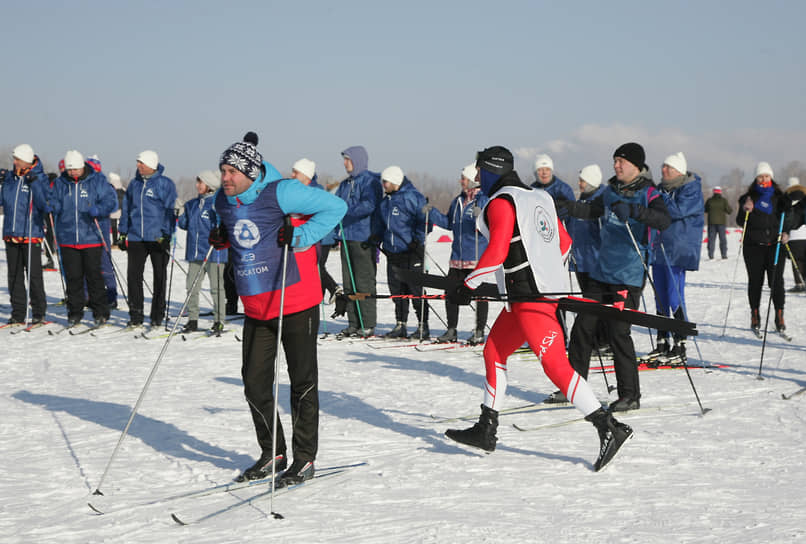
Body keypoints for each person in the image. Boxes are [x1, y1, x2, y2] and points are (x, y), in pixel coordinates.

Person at [443, 146, 632, 472]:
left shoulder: (501, 202)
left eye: (478, 172)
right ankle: (486, 428)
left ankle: (608, 427)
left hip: (531, 301)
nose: (476, 178)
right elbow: (564, 243)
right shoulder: (538, 197)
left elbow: (499, 250)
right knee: (494, 352)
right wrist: (547, 276)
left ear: (489, 170)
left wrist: (467, 286)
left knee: (557, 367)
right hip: (525, 299)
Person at [209, 132, 346, 486]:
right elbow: (228, 223)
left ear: (251, 173)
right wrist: (222, 236)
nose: (225, 178)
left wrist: (300, 237)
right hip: (256, 305)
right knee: (255, 383)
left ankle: (304, 459)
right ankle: (273, 452)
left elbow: (335, 208)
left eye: (232, 172)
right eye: (222, 170)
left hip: (296, 300)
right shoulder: (223, 201)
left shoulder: (283, 191)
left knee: (301, 382)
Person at [558, 142, 671, 411]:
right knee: (583, 327)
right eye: (615, 161)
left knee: (618, 332)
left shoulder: (649, 191)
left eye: (621, 161)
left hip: (629, 273)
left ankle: (630, 395)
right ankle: (573, 386)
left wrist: (634, 211)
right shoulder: (610, 191)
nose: (616, 165)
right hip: (601, 271)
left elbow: (663, 220)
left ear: (636, 165)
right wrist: (569, 208)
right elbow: (592, 210)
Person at [49, 151, 118, 326]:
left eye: (76, 169)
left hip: (91, 237)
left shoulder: (97, 181)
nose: (72, 173)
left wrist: (100, 209)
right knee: (73, 278)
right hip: (67, 237)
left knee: (94, 277)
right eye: (70, 170)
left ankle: (100, 313)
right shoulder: (60, 183)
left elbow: (111, 201)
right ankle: (74, 313)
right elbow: (53, 200)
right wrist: (53, 206)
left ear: (83, 167)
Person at [648, 152, 704, 365]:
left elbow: (677, 211)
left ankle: (680, 342)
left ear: (679, 171)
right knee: (660, 296)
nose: (664, 171)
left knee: (674, 295)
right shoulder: (662, 189)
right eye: (663, 167)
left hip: (678, 251)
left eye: (668, 168)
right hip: (659, 248)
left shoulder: (690, 189)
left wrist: (657, 199)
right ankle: (662, 340)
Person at [428, 163, 489, 344]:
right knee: (451, 293)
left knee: (479, 295)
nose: (461, 181)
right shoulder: (457, 201)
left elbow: (490, 225)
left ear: (472, 180)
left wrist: (482, 218)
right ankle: (451, 329)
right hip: (457, 258)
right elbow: (449, 223)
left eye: (464, 178)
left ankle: (479, 331)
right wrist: (431, 212)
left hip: (476, 257)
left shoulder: (484, 200)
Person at [118, 150, 177, 328]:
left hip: (157, 237)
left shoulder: (165, 184)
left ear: (151, 165)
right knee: (133, 276)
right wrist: (122, 232)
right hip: (136, 237)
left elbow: (170, 210)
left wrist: (167, 233)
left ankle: (157, 315)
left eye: (141, 163)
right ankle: (135, 315)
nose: (138, 166)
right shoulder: (134, 184)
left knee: (159, 277)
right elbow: (127, 209)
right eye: (138, 162)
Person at [370, 165, 431, 340]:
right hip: (393, 253)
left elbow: (425, 221)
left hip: (411, 251)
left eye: (386, 181)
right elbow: (382, 224)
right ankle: (400, 324)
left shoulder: (412, 197)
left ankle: (423, 326)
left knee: (416, 290)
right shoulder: (385, 202)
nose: (383, 184)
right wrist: (376, 237)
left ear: (395, 181)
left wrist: (417, 239)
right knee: (397, 291)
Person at [334, 146, 383, 338]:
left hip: (363, 238)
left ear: (357, 160)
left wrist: (345, 208)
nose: (345, 163)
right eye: (344, 159)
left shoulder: (370, 181)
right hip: (346, 237)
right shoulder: (345, 184)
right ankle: (353, 322)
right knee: (349, 283)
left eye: (348, 159)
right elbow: (336, 203)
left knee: (364, 282)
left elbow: (369, 205)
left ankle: (368, 322)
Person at [737, 162, 790, 335]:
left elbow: (787, 218)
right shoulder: (749, 197)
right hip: (753, 246)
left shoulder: (780, 197)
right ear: (756, 178)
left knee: (776, 282)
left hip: (774, 246)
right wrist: (746, 210)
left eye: (766, 176)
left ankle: (779, 315)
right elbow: (739, 220)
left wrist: (786, 232)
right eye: (760, 176)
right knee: (755, 282)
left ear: (771, 177)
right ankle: (755, 314)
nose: (763, 179)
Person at [0, 144, 49, 325]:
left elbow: (44, 204)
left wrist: (34, 183)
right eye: (14, 159)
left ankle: (38, 311)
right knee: (14, 275)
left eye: (18, 159)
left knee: (34, 274)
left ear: (27, 161)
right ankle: (18, 312)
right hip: (11, 233)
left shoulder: (39, 178)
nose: (15, 162)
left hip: (31, 232)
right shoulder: (11, 178)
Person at [177, 170, 227, 334]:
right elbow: (184, 225)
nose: (198, 185)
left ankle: (219, 320)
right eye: (197, 182)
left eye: (201, 182)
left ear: (210, 185)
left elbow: (225, 225)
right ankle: (192, 319)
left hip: (214, 253)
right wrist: (180, 213)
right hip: (195, 253)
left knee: (216, 288)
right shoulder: (192, 204)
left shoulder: (217, 203)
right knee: (191, 286)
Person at [290, 158, 341, 302]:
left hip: (321, 237)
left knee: (316, 267)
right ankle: (321, 295)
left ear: (305, 175)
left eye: (296, 172)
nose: (292, 175)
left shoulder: (315, 191)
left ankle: (333, 289)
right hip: (309, 237)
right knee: (314, 267)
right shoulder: (299, 189)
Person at [529, 153, 575, 222]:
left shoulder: (564, 190)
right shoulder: (531, 191)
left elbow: (573, 217)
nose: (544, 173)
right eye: (540, 170)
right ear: (535, 173)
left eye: (547, 169)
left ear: (551, 171)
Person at [785, 177, 806, 292]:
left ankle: (799, 283)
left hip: (793, 236)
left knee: (796, 260)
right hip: (804, 234)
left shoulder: (787, 200)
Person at [704, 186, 732, 260]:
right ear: (720, 192)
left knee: (711, 239)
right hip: (721, 223)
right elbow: (729, 211)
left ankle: (711, 255)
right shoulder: (723, 200)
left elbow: (706, 210)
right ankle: (724, 255)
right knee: (722, 239)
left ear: (714, 192)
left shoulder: (709, 200)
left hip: (711, 223)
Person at [108, 172, 125, 244]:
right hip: (122, 210)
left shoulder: (110, 189)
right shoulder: (123, 190)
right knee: (122, 227)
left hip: (113, 210)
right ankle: (121, 241)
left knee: (114, 227)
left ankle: (115, 241)